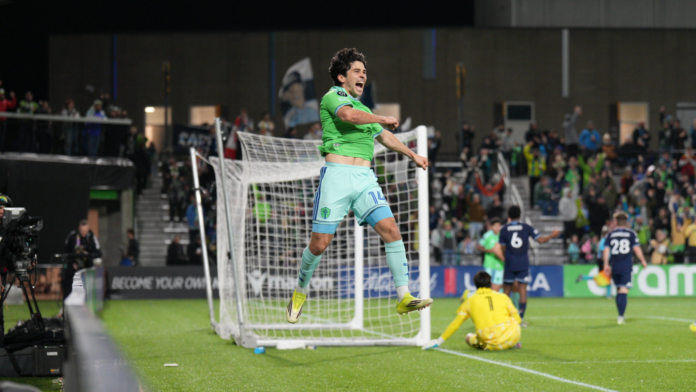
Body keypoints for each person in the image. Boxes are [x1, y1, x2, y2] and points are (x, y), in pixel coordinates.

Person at [287, 48, 432, 323]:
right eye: (357, 70)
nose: (363, 75)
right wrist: (382, 118)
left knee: (391, 229)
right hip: (338, 177)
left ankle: (403, 297)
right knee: (319, 245)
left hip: (365, 179)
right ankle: (300, 291)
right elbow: (348, 117)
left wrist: (412, 155)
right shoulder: (334, 97)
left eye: (364, 71)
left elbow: (385, 137)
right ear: (342, 77)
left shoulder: (364, 109)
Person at [422, 271, 521, 351]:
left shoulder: (470, 301)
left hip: (492, 343)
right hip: (513, 337)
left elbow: (455, 325)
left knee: (469, 337)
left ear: (475, 285)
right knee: (511, 320)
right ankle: (511, 342)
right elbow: (518, 320)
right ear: (490, 283)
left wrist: (438, 341)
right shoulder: (503, 297)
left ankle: (496, 342)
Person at [498, 205, 560, 326]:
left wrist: (507, 257)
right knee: (522, 290)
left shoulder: (504, 229)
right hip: (522, 263)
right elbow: (540, 240)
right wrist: (552, 235)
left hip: (510, 262)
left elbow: (502, 247)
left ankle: (503, 318)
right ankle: (520, 318)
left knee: (506, 291)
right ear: (520, 215)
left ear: (509, 216)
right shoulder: (526, 227)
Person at [602, 212, 648, 325]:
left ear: (616, 222)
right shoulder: (631, 234)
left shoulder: (610, 234)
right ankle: (621, 316)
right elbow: (637, 249)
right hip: (626, 266)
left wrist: (606, 264)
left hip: (615, 265)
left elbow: (606, 250)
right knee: (623, 291)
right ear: (626, 222)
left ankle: (620, 315)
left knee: (619, 290)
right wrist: (643, 260)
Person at [63, 220, 102, 299]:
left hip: (87, 267)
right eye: (82, 230)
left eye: (85, 230)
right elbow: (66, 252)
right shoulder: (73, 236)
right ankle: (67, 305)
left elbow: (99, 253)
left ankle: (87, 304)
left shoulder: (91, 237)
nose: (83, 232)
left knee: (88, 287)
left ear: (88, 229)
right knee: (68, 285)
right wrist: (73, 261)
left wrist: (88, 255)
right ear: (79, 228)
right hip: (73, 267)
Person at [476, 218, 505, 292]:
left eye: (499, 226)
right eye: (496, 226)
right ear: (491, 227)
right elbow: (479, 247)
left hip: (499, 264)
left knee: (499, 285)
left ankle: (498, 302)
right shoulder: (487, 235)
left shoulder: (502, 235)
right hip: (489, 264)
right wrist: (490, 251)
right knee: (488, 284)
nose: (497, 228)